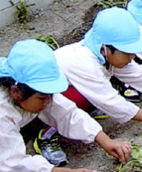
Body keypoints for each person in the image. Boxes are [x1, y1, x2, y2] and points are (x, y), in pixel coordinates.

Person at [0, 39, 131, 171]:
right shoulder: (2, 112)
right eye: (42, 98)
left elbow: (66, 113)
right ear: (16, 92)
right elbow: (11, 163)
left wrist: (106, 141)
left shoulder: (28, 85)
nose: (48, 102)